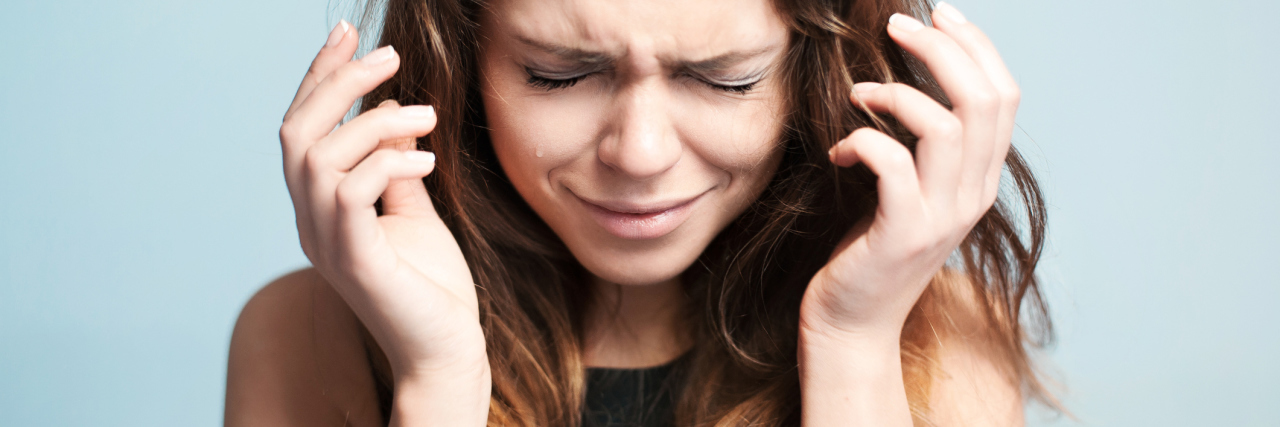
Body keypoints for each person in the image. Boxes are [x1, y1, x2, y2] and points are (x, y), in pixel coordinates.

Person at [225, 0, 1060, 425]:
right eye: (557, 73)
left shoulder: (938, 336)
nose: (640, 152)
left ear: (816, 72)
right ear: (459, 58)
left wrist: (854, 348)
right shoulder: (301, 334)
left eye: (725, 79)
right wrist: (438, 380)